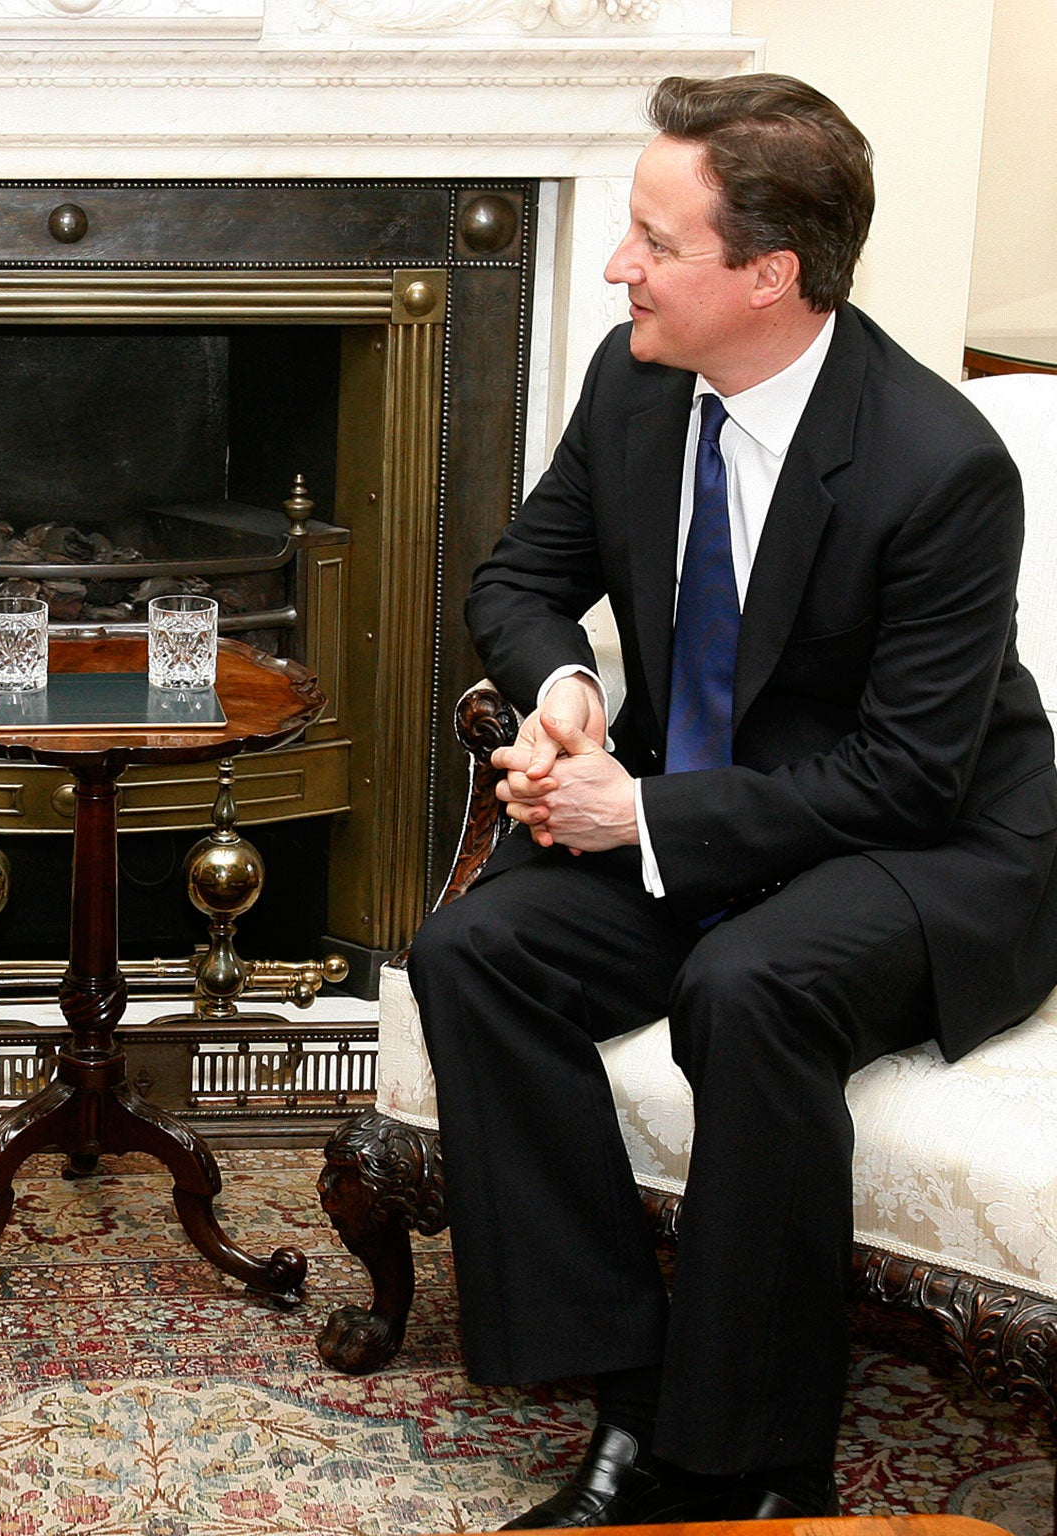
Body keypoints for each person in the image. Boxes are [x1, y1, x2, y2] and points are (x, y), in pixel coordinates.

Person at [410, 73, 1057, 1527]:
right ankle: (633, 1396)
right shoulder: (638, 383)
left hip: (932, 845)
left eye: (652, 237)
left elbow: (907, 771)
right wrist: (565, 689)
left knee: (747, 985)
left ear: (769, 275)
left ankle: (751, 1463)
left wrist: (640, 820)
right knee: (476, 953)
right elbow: (518, 579)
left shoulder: (938, 466)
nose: (618, 264)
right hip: (715, 805)